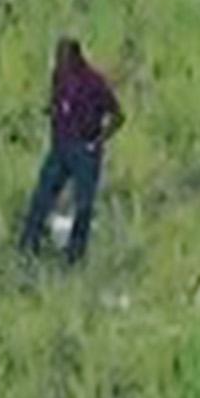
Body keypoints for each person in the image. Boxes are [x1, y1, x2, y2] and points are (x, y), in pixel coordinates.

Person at [18, 37, 125, 266]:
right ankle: (29, 245)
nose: (60, 64)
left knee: (83, 204)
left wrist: (97, 141)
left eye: (64, 59)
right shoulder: (58, 79)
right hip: (61, 147)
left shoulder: (93, 83)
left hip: (85, 150)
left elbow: (117, 116)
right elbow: (56, 105)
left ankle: (75, 255)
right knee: (42, 196)